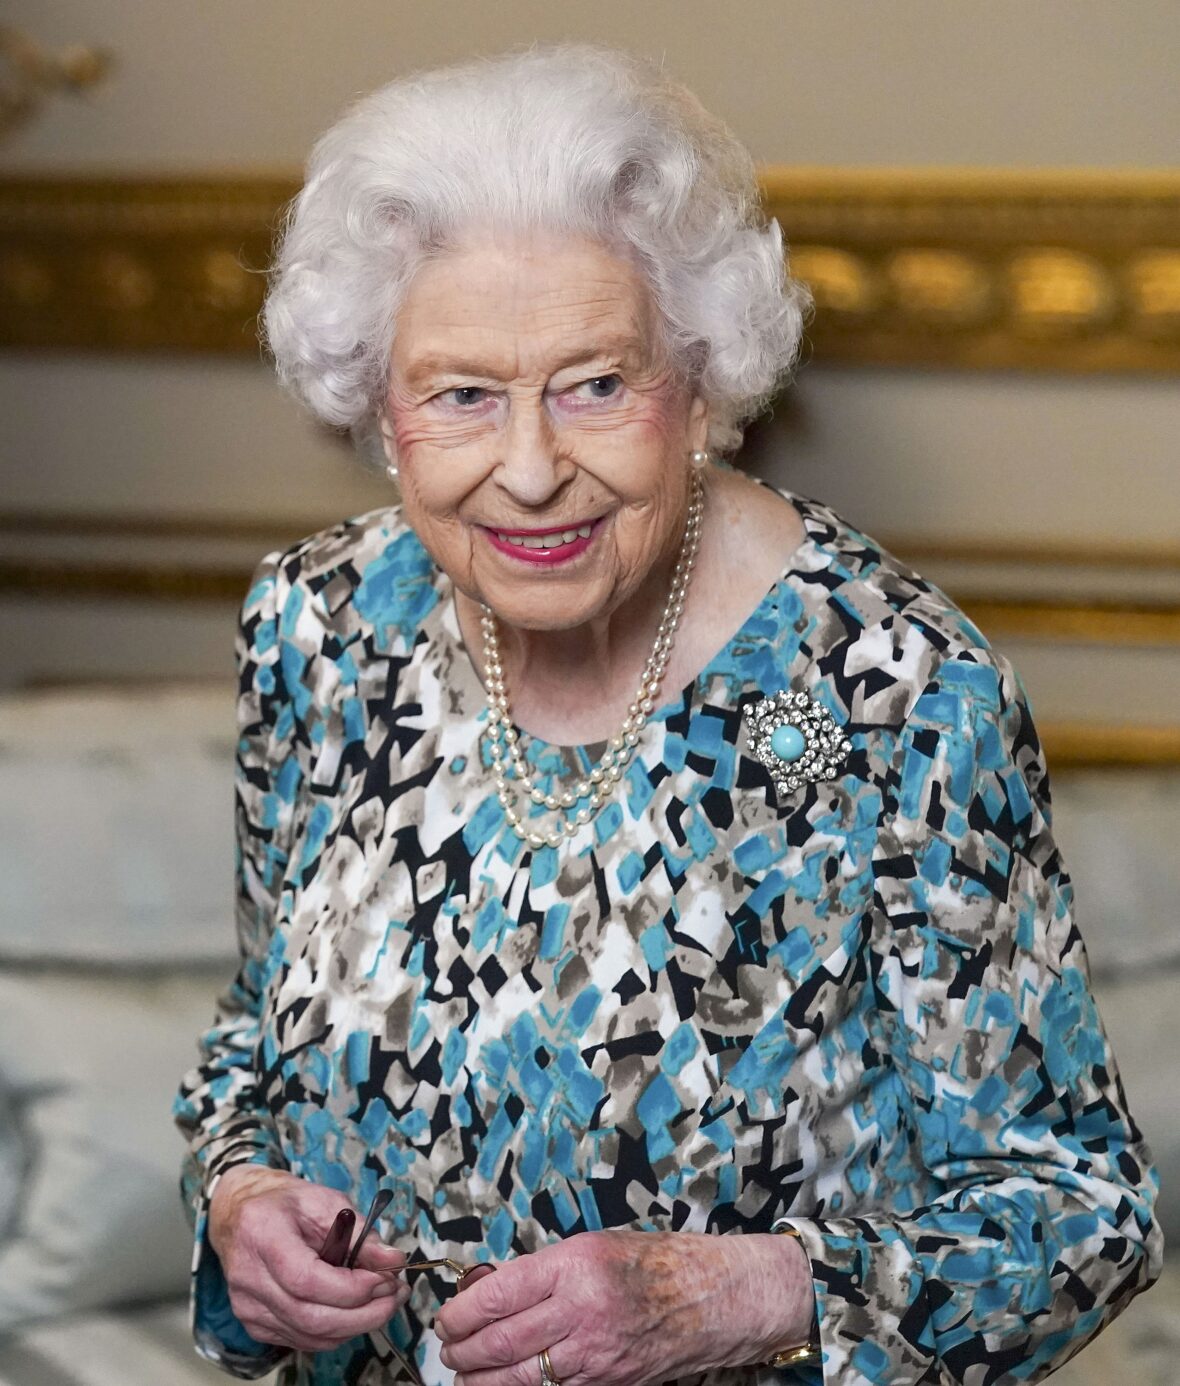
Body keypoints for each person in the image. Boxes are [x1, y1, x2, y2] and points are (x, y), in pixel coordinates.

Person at [174, 44, 1161, 1386]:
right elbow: (253, 1025)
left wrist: (740, 1295)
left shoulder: (895, 685)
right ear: (381, 414)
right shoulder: (318, 627)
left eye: (595, 383)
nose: (530, 469)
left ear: (698, 390)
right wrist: (240, 1198)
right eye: (462, 393)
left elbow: (1081, 1209)